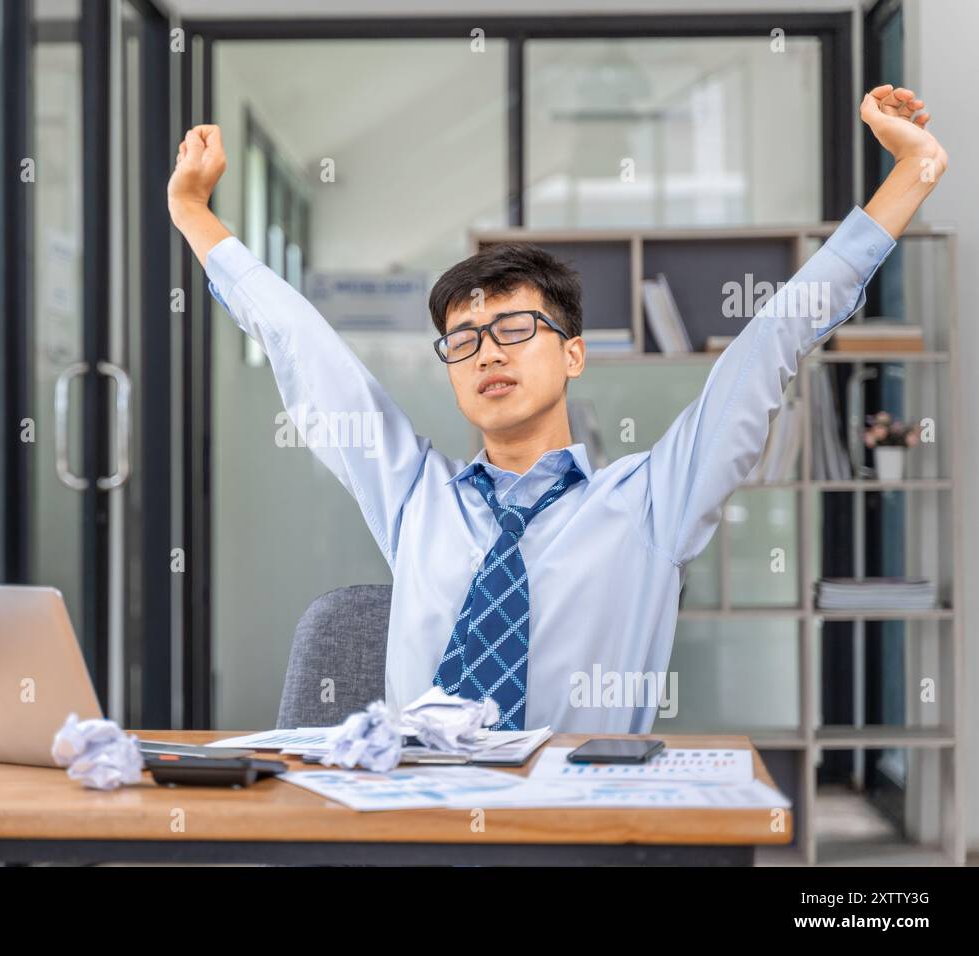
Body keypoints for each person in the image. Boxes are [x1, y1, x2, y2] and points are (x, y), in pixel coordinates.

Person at [167, 85, 947, 733]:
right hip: (416, 820)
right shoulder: (413, 498)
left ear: (572, 353)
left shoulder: (650, 501)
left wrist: (911, 173)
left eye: (514, 328)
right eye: (463, 341)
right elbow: (309, 353)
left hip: (578, 825)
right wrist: (197, 216)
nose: (488, 352)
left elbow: (767, 346)